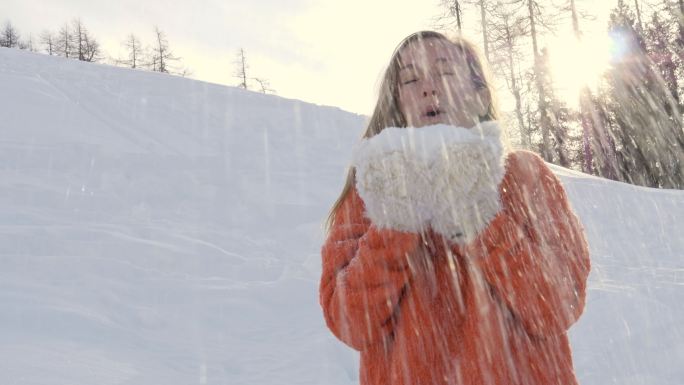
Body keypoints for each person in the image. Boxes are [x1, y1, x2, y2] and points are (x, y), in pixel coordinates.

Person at [318, 31, 591, 385]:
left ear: (478, 96)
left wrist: (481, 219)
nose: (429, 88)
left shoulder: (525, 177)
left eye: (446, 73)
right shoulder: (369, 189)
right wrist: (395, 223)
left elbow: (557, 307)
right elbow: (350, 323)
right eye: (412, 79)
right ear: (398, 104)